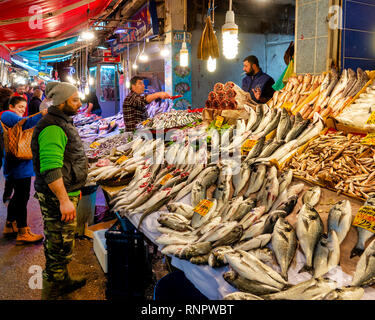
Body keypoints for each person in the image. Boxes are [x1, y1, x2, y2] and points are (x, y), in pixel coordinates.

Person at [31, 82, 88, 299]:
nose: (80, 103)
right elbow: (51, 168)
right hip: (57, 196)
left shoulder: (61, 121)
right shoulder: (53, 126)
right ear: (62, 102)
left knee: (62, 240)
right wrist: (64, 199)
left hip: (65, 192)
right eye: (74, 100)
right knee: (59, 242)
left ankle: (60, 278)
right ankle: (54, 288)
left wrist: (74, 189)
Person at [1, 96, 47, 243]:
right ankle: (23, 232)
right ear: (12, 106)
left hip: (17, 166)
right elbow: (25, 123)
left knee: (18, 196)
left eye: (23, 107)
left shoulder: (10, 116)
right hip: (18, 167)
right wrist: (42, 114)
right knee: (22, 198)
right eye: (19, 107)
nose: (22, 110)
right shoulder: (8, 115)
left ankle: (10, 224)